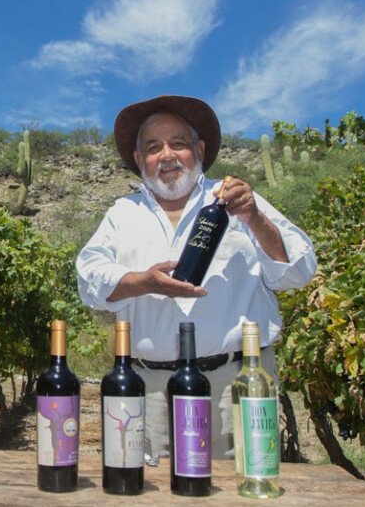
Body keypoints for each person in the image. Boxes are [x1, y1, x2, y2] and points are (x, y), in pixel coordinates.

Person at [76, 95, 317, 461]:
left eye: (178, 144)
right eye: (153, 148)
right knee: (148, 487)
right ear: (140, 160)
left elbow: (300, 270)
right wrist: (145, 282)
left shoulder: (237, 200)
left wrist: (254, 218)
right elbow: (89, 280)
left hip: (236, 385)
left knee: (241, 485)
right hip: (149, 390)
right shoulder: (123, 213)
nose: (166, 155)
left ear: (199, 151)